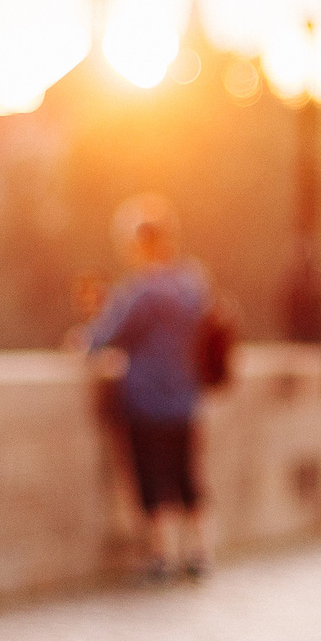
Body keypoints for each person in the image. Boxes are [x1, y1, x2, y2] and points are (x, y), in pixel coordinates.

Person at [82, 195, 213, 583]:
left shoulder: (141, 290)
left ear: (139, 244)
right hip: (185, 394)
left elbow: (104, 335)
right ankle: (199, 551)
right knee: (187, 475)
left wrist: (83, 340)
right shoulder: (192, 284)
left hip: (146, 398)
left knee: (151, 476)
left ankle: (161, 556)